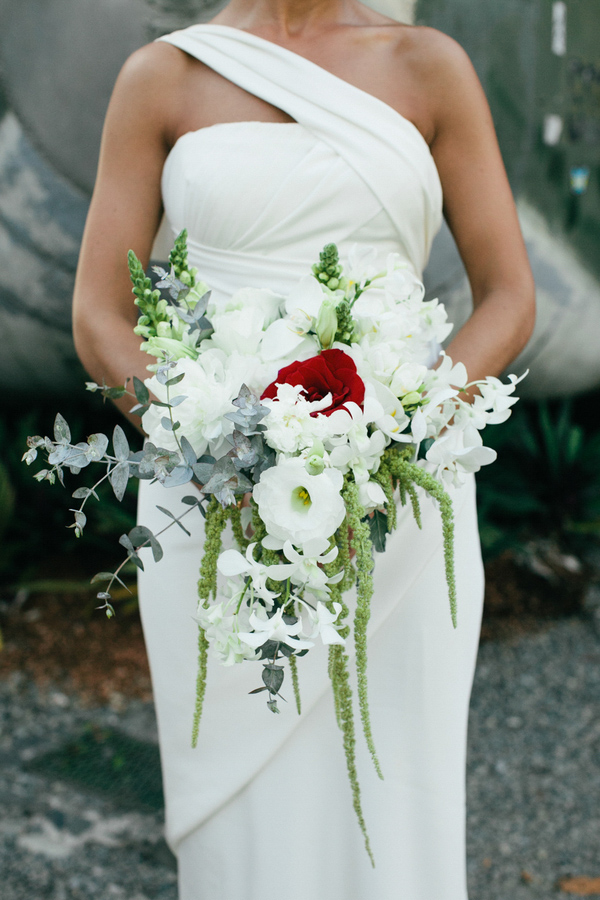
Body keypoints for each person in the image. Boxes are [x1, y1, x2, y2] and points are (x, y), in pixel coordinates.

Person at [72, 2, 535, 898]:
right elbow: (98, 314)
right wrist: (211, 446)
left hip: (397, 499)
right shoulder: (162, 76)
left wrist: (403, 430)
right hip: (211, 497)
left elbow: (510, 293)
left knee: (392, 790)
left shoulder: (429, 65)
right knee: (243, 813)